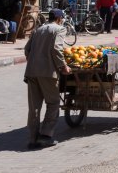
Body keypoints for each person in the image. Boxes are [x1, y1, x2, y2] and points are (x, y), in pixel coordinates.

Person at [24, 8, 71, 150]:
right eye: (61, 18)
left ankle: (33, 139)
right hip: (48, 73)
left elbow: (27, 50)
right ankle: (46, 135)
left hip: (31, 72)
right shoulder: (59, 29)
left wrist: (35, 61)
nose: (62, 20)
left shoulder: (38, 29)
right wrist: (63, 66)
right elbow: (56, 49)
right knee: (53, 103)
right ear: (58, 18)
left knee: (34, 107)